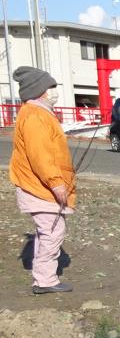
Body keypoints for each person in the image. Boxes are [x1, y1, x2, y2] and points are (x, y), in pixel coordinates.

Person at [9, 65, 76, 294]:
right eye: (51, 87)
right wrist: (56, 183)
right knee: (52, 231)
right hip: (39, 187)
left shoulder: (37, 113)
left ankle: (44, 277)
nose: (54, 91)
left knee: (48, 230)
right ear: (40, 90)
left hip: (38, 185)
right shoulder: (35, 115)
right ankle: (45, 281)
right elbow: (41, 156)